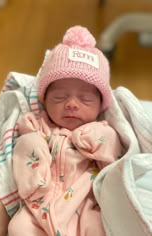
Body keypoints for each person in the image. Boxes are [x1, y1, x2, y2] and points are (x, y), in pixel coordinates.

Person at [7, 26, 122, 236]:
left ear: (101, 104)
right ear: (44, 99)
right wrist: (32, 143)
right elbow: (22, 149)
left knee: (100, 228)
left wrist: (95, 138)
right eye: (59, 97)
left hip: (85, 206)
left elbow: (114, 157)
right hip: (41, 205)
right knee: (18, 227)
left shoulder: (102, 129)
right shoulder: (38, 125)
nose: (71, 104)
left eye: (85, 98)